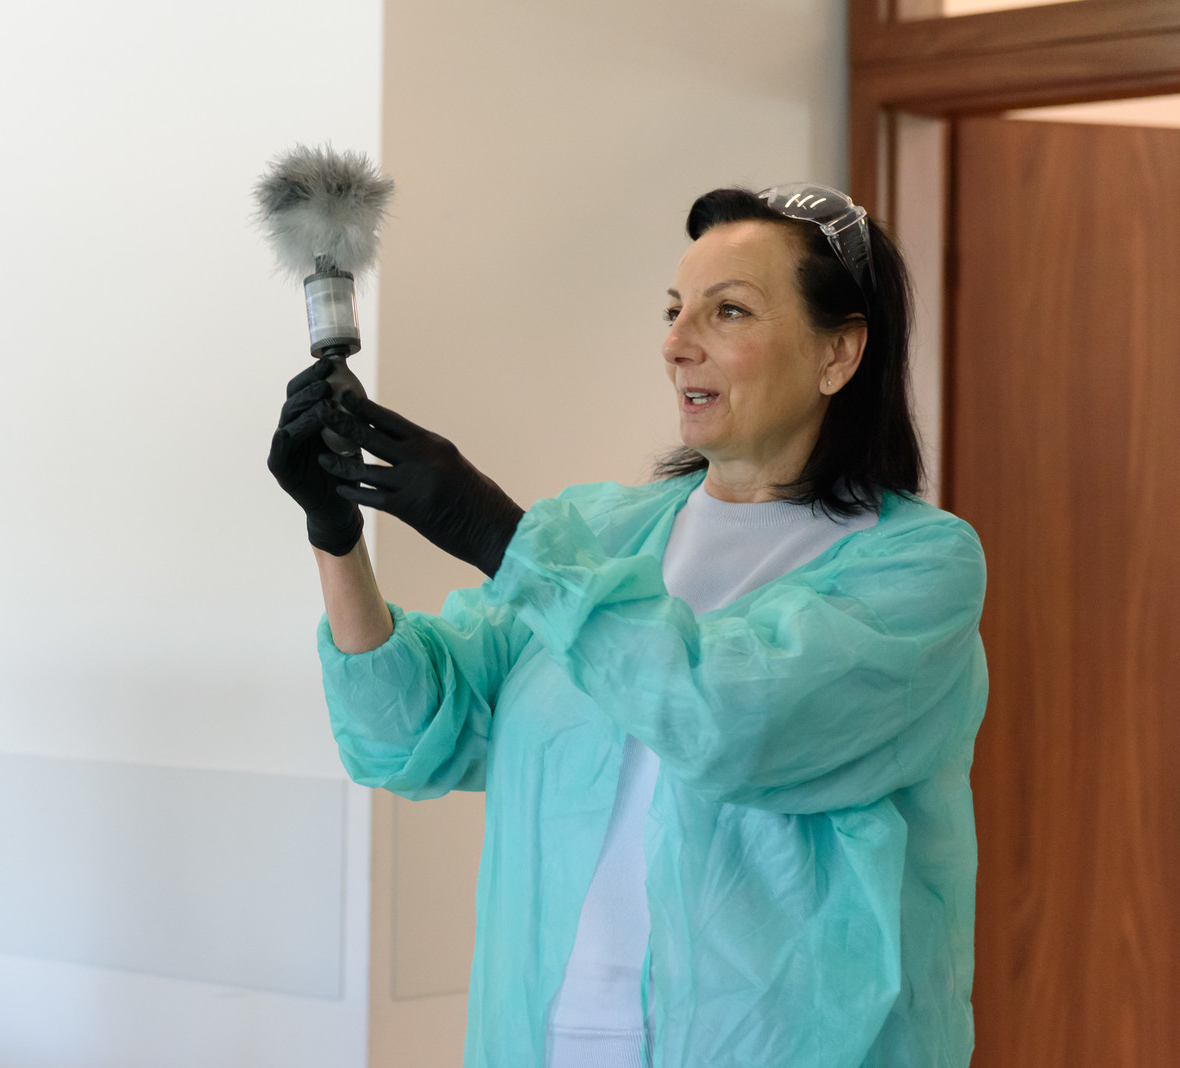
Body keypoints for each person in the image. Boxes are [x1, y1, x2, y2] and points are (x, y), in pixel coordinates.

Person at [268, 185, 987, 1068]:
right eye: (674, 310)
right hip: (547, 1042)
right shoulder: (603, 535)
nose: (677, 342)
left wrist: (501, 537)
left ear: (839, 352)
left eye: (728, 311)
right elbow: (405, 731)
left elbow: (729, 720)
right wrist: (335, 534)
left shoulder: (917, 567)